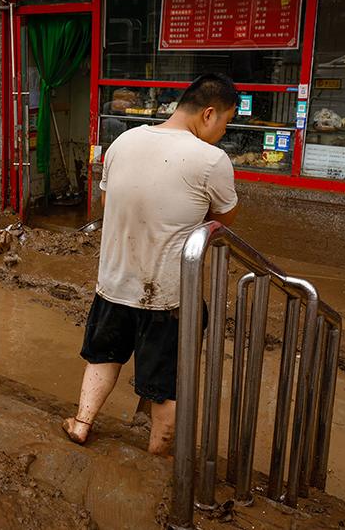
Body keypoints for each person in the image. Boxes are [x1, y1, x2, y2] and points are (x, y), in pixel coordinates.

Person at [63, 73, 240, 455]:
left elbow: (108, 204)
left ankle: (82, 423)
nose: (223, 132)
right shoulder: (212, 160)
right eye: (225, 122)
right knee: (166, 385)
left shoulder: (123, 141)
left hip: (113, 280)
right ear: (209, 114)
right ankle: (156, 453)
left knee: (103, 355)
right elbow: (224, 220)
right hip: (168, 295)